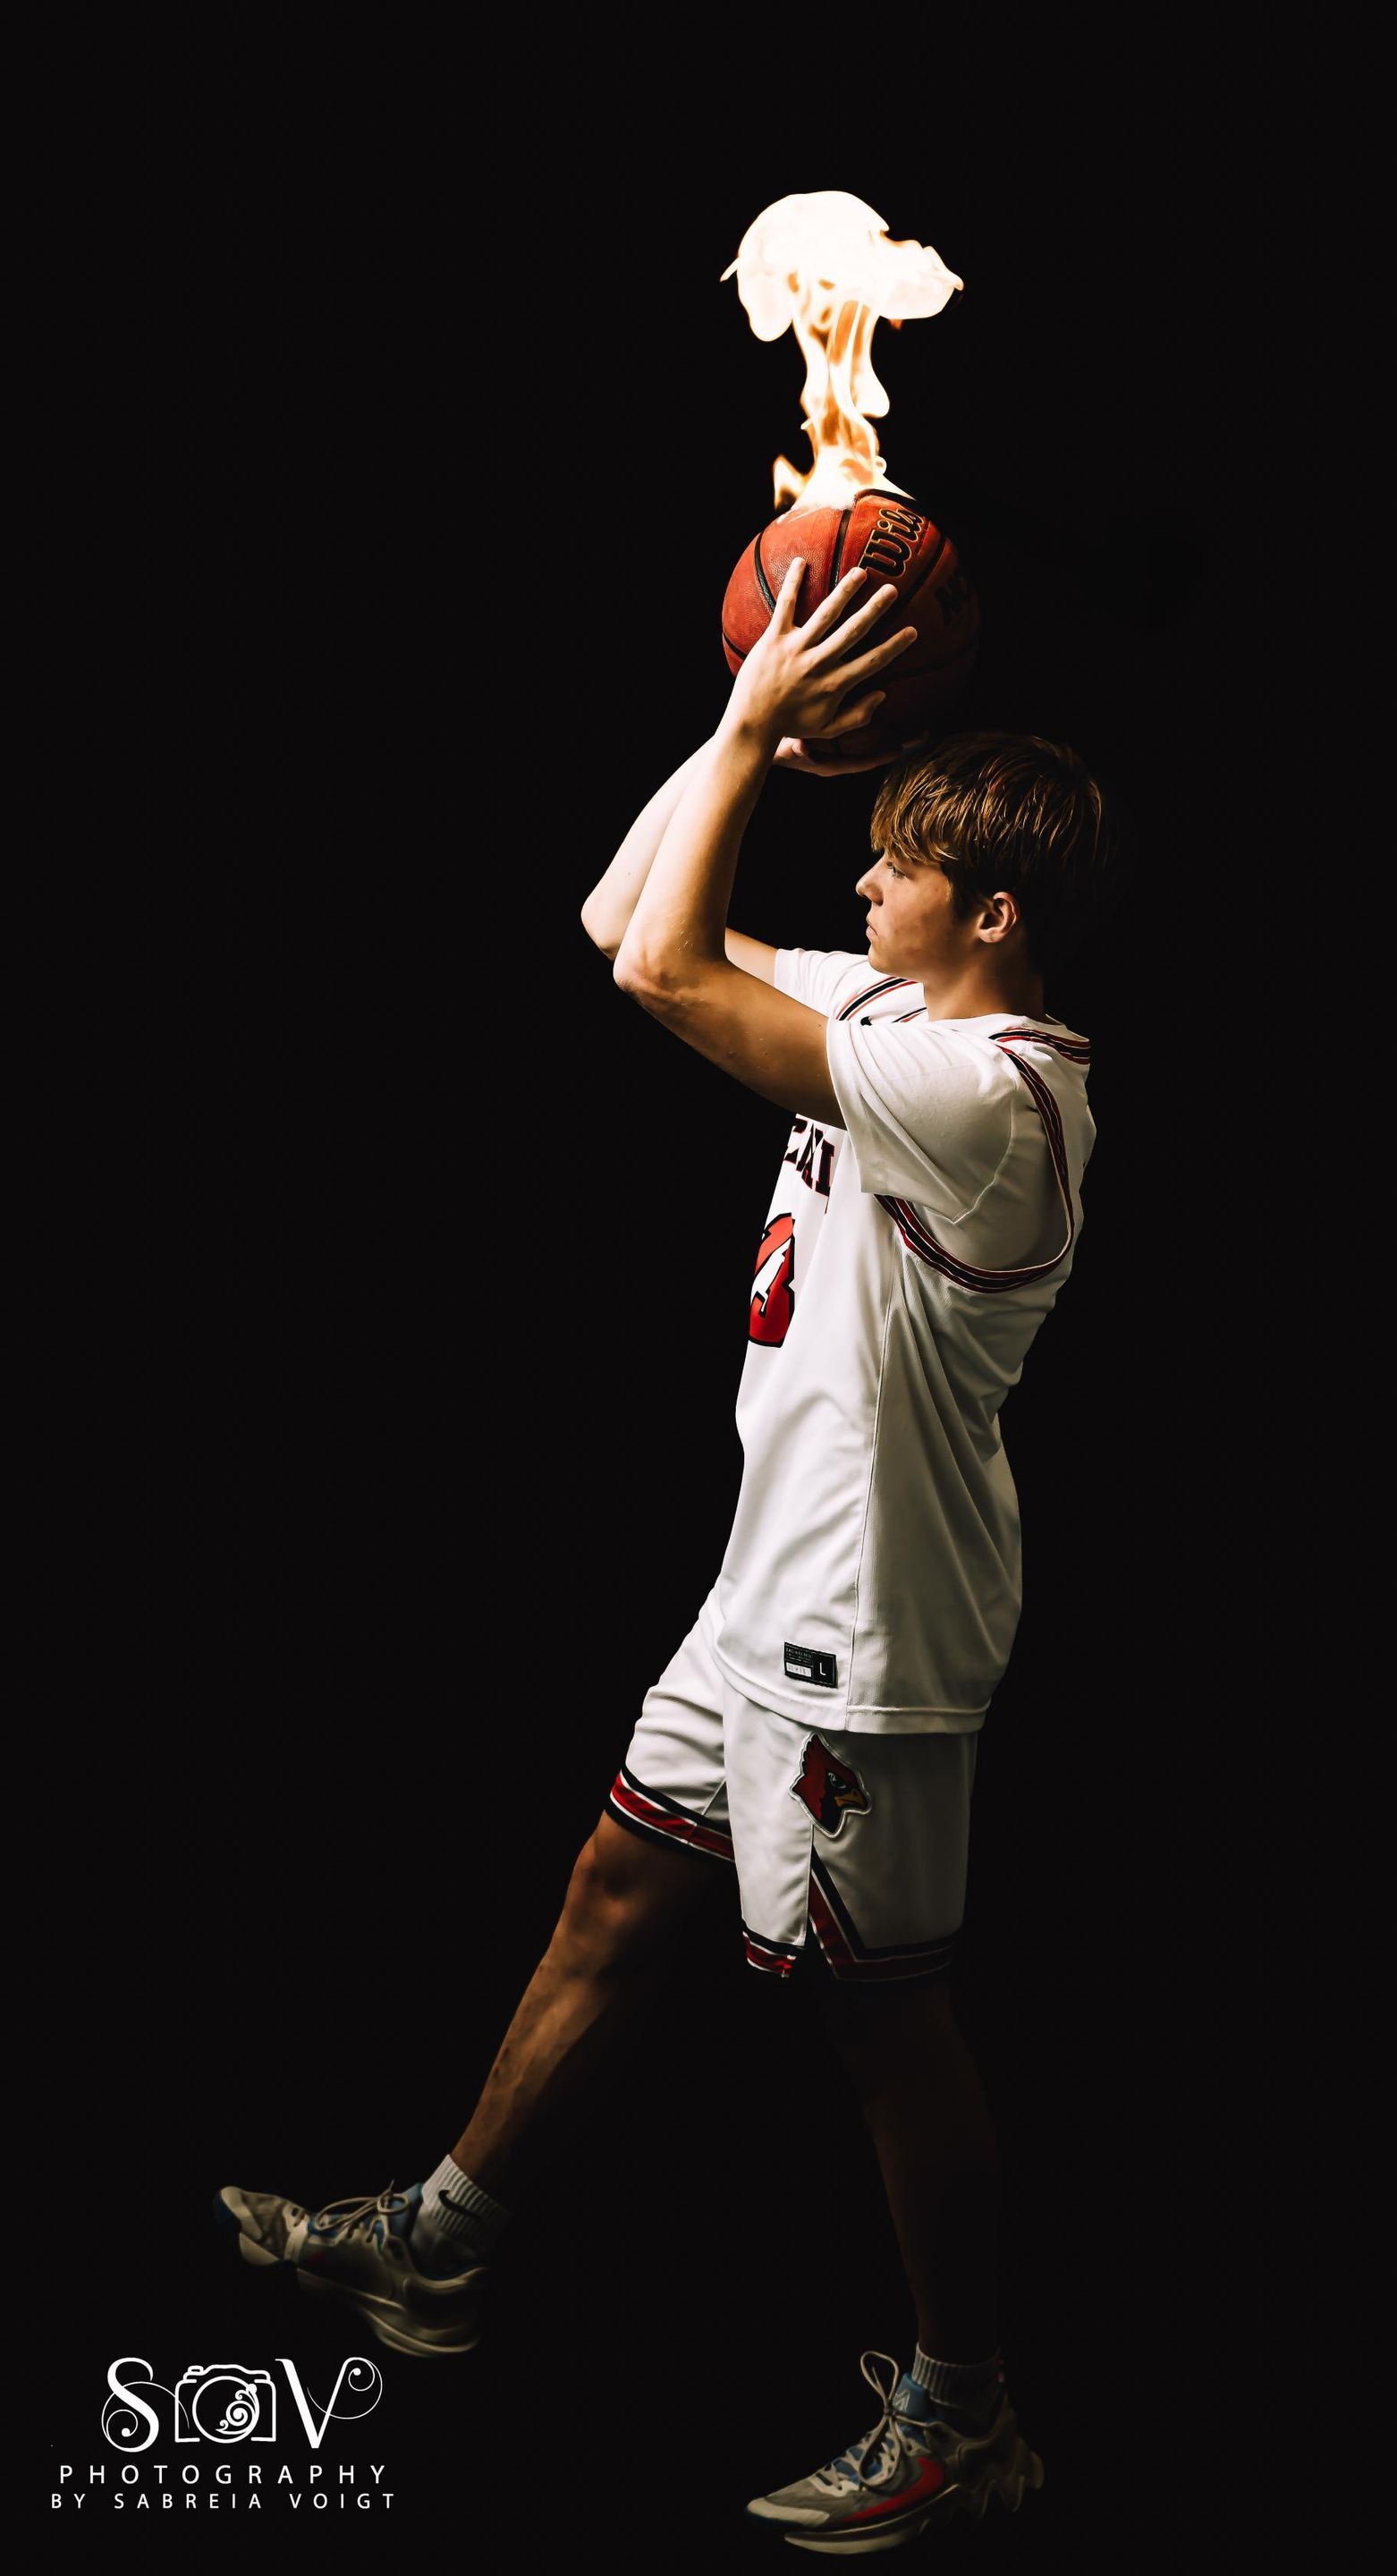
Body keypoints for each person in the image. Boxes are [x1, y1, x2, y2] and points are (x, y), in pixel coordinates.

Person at [216, 557, 1108, 2553]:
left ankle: (970, 2412)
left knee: (887, 2020)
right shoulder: (890, 1004)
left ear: (999, 915)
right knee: (617, 1887)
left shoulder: (988, 1095)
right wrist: (746, 736)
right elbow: (631, 915)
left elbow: (658, 975)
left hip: (865, 1637)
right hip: (762, 1593)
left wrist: (743, 731)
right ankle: (438, 2247)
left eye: (897, 870)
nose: (860, 886)